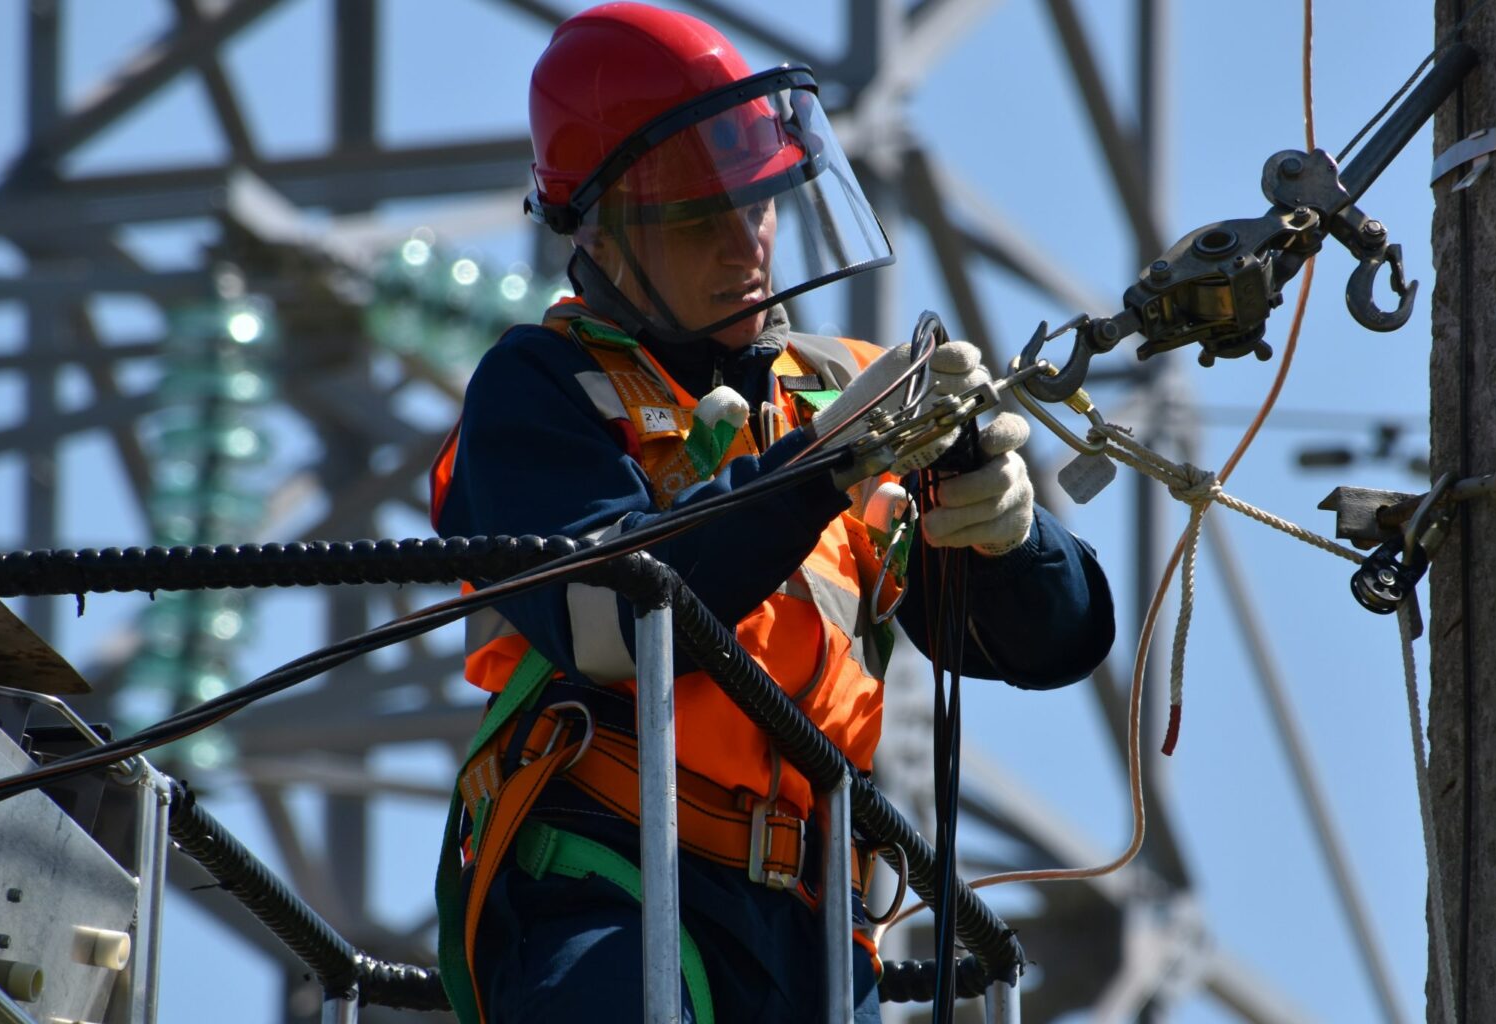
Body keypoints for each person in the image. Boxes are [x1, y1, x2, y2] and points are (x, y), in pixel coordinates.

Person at [429, 4, 1115, 1021]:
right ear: (605, 235)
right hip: (613, 871)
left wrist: (1013, 537)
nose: (746, 244)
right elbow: (611, 618)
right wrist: (821, 467)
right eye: (701, 216)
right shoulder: (542, 389)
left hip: (817, 932)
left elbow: (1052, 644)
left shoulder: (840, 391)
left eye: (759, 204)